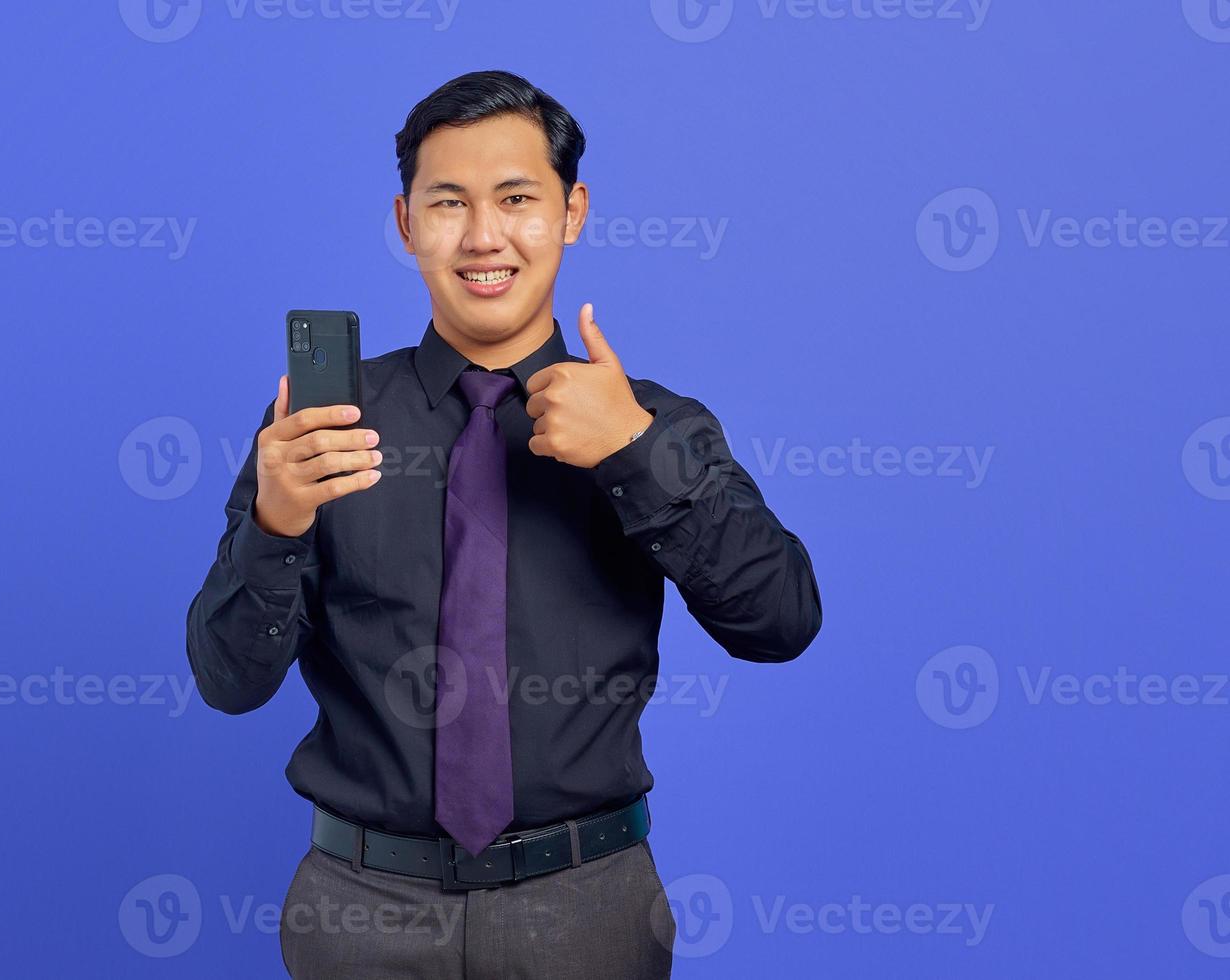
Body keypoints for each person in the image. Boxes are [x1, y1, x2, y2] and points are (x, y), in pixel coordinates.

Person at [185, 68, 823, 979]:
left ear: (573, 211)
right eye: (449, 202)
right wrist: (277, 523)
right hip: (361, 908)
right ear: (407, 223)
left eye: (517, 198)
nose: (484, 236)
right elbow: (226, 680)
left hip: (586, 906)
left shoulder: (657, 423)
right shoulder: (323, 426)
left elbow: (782, 621)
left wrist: (634, 454)